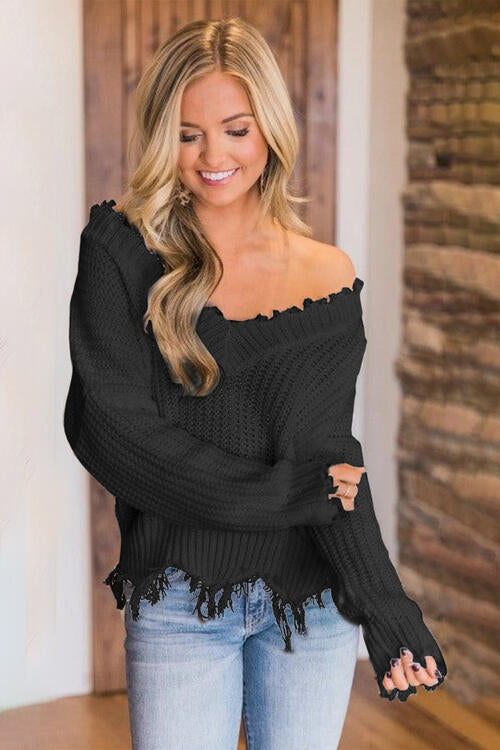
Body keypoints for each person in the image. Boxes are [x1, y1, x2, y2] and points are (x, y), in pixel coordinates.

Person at [64, 17, 447, 750]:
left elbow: (330, 467)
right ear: (161, 137)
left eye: (236, 130)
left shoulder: (326, 275)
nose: (214, 156)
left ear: (269, 128)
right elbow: (113, 434)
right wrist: (279, 494)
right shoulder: (119, 251)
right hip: (181, 601)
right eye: (188, 135)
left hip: (312, 606)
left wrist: (387, 608)